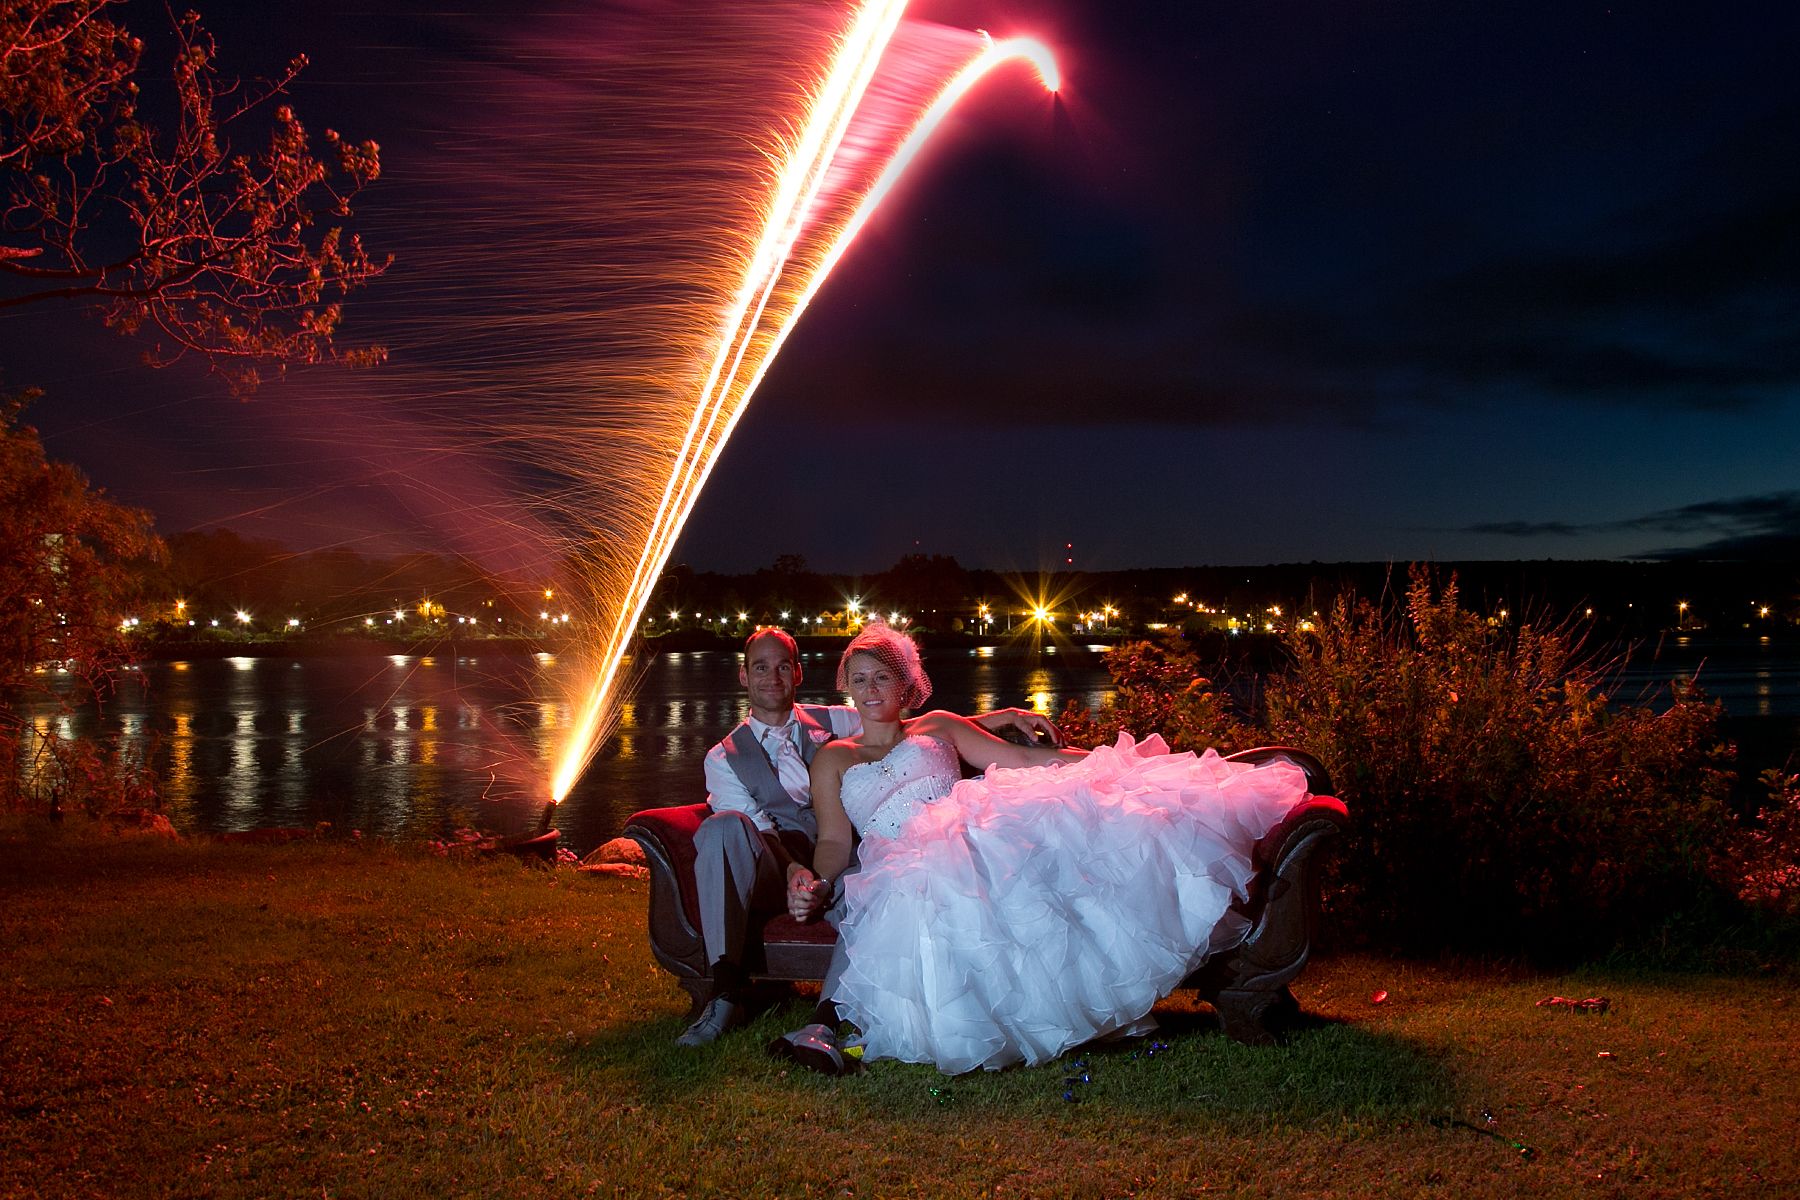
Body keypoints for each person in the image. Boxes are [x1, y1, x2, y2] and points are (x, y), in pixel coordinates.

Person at [776, 622, 1309, 1075]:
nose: (871, 690)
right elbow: (834, 839)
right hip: (900, 863)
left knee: (1049, 848)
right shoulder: (834, 758)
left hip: (969, 833)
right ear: (846, 685)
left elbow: (1022, 762)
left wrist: (1111, 761)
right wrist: (817, 882)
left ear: (904, 684)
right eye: (860, 679)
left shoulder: (937, 726)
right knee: (930, 886)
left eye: (883, 677)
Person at [678, 626, 1059, 1047]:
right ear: (744, 676)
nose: (772, 677)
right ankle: (726, 987)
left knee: (872, 882)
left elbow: (903, 726)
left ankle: (832, 1017)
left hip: (843, 860)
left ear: (798, 673)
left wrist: (1000, 718)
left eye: (783, 666)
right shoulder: (723, 757)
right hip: (774, 864)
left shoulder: (834, 720)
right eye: (761, 668)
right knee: (723, 827)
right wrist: (794, 872)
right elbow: (761, 830)